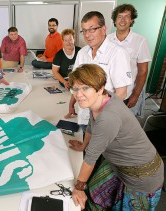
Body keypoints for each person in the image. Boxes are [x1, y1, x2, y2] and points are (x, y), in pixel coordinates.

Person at [68, 64, 163, 210]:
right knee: (94, 199)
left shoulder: (108, 118)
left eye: (85, 88)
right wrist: (83, 145)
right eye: (75, 89)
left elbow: (91, 158)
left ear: (99, 89)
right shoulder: (104, 98)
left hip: (142, 176)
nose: (78, 94)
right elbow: (91, 125)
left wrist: (79, 187)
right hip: (118, 164)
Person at [65, 11, 132, 132]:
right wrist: (71, 104)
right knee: (85, 144)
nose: (87, 35)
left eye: (92, 29)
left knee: (99, 149)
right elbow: (76, 85)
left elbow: (121, 93)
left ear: (104, 29)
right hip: (84, 115)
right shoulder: (82, 53)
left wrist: (103, 117)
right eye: (84, 30)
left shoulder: (117, 53)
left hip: (103, 118)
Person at [108, 4, 151, 116]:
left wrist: (135, 95)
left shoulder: (140, 41)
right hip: (108, 93)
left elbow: (143, 72)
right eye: (119, 16)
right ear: (115, 20)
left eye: (127, 16)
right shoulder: (107, 39)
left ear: (131, 20)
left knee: (124, 125)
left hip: (127, 93)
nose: (122, 20)